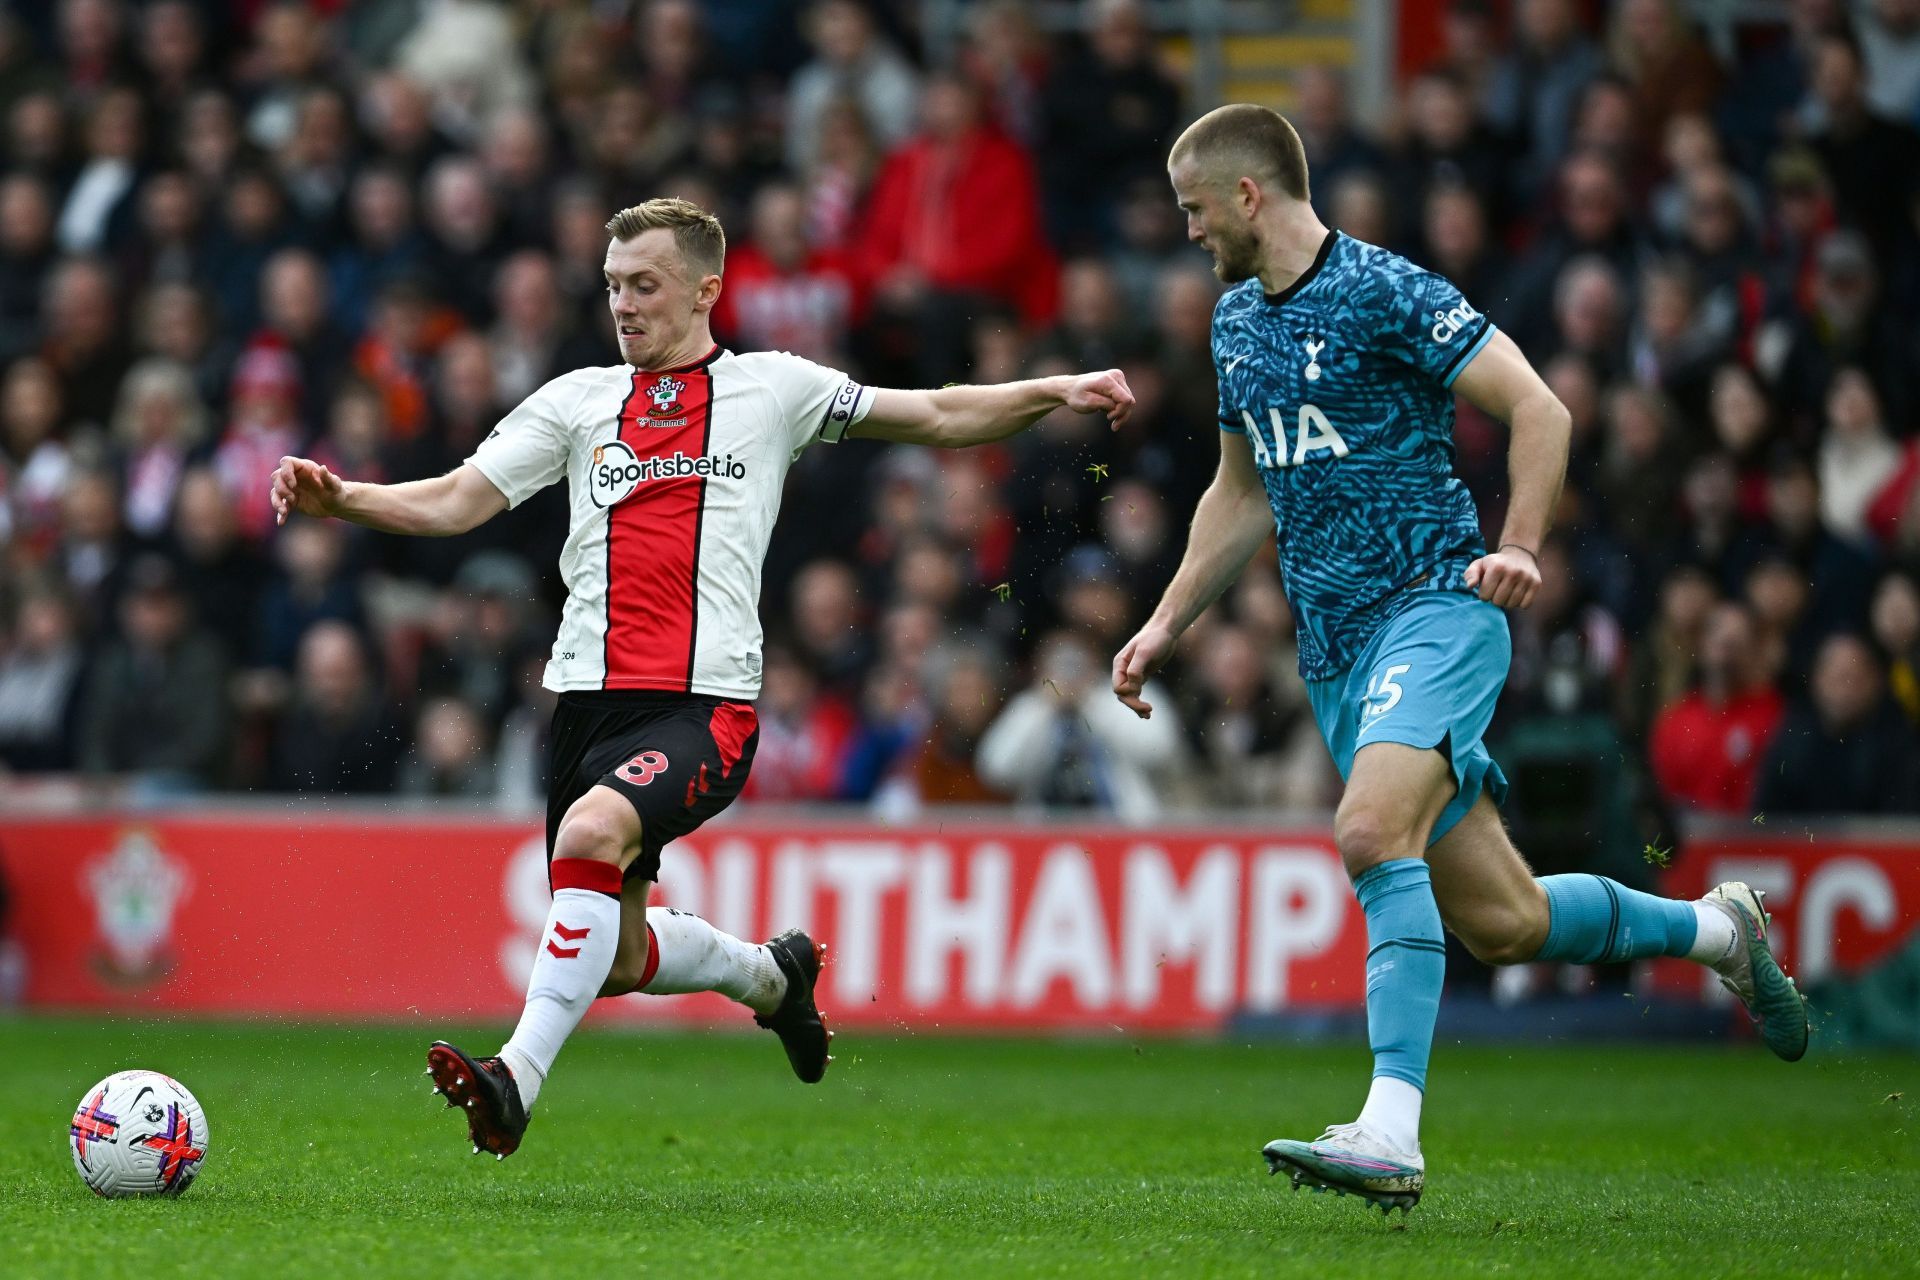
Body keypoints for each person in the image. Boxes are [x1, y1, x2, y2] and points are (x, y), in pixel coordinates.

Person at [268, 196, 1133, 1159]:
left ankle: (513, 1080)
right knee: (621, 950)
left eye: (645, 285)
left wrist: (1052, 387)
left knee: (594, 836)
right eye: (612, 287)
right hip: (586, 708)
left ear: (706, 288)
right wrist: (346, 499)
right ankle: (773, 977)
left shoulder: (774, 390)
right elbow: (458, 499)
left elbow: (931, 412)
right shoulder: (577, 401)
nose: (624, 305)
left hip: (703, 706)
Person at [1110, 105, 1808, 1216]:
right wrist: (1165, 621)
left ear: (1249, 195)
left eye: (1196, 210)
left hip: (1437, 611)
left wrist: (1520, 544)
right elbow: (1241, 491)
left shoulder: (1387, 289)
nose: (1189, 235)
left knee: (1367, 831)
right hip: (1339, 656)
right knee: (1507, 919)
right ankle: (1723, 930)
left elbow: (1541, 408)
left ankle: (1390, 1125)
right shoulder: (1237, 322)